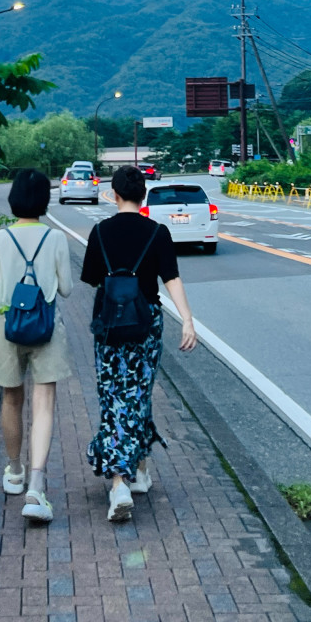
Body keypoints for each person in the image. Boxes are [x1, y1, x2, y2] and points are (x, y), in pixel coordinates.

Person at [81, 164, 197, 522]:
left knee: (114, 397)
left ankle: (122, 481)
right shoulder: (157, 232)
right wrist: (188, 320)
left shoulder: (100, 232)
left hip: (111, 327)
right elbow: (171, 278)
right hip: (147, 325)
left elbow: (91, 280)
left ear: (114, 195)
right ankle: (133, 475)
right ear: (143, 195)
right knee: (139, 394)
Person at [0, 168, 72, 523]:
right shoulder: (55, 238)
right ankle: (37, 488)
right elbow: (66, 289)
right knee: (44, 403)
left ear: (13, 201)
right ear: (44, 201)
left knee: (11, 398)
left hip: (6, 326)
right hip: (45, 327)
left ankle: (14, 471)